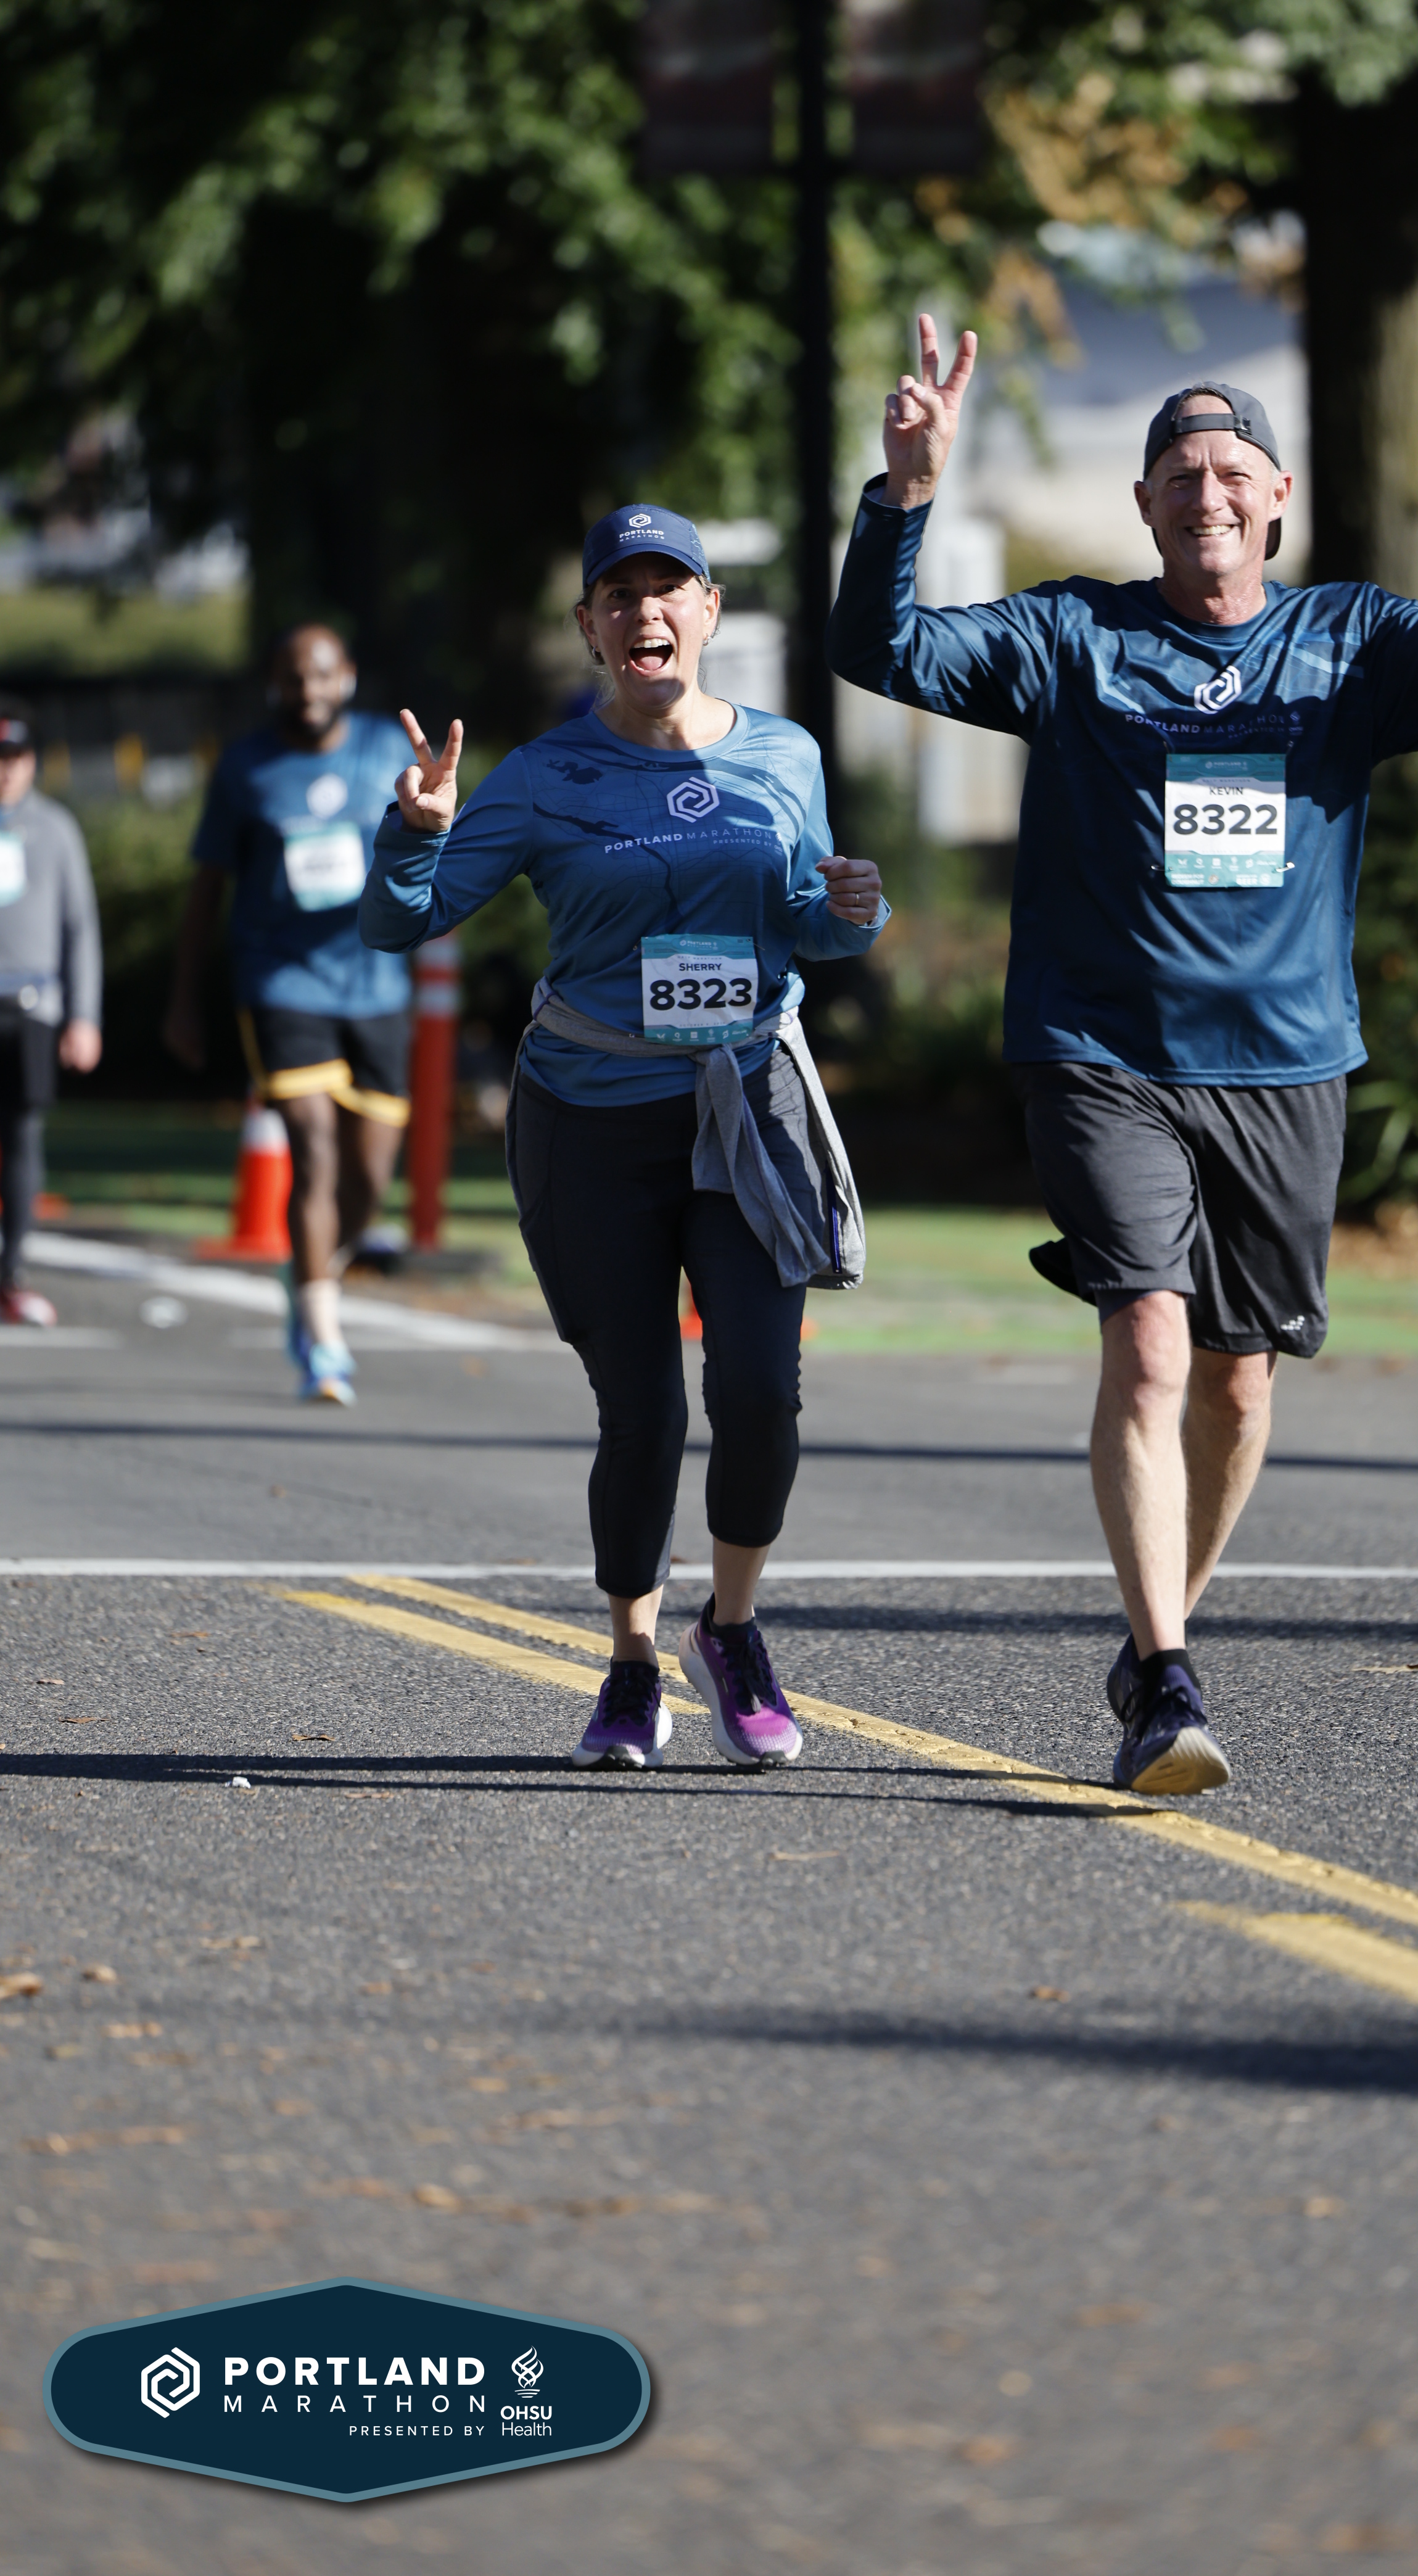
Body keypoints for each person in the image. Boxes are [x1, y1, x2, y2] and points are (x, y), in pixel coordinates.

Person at [829, 323, 1418, 1797]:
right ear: (1144, 505)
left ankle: (1156, 1625)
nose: (1206, 492)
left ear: (1277, 498)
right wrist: (903, 497)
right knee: (1152, 1341)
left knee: (1238, 1385)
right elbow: (880, 648)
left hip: (1286, 1063)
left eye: (1232, 471)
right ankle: (1166, 1676)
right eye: (1179, 474)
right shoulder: (1071, 640)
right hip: (1103, 1051)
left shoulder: (1350, 641)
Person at [361, 503, 886, 1770]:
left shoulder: (787, 754)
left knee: (758, 1390)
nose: (646, 610)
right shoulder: (543, 776)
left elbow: (805, 926)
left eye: (670, 588)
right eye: (620, 594)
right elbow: (399, 925)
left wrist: (851, 915)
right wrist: (416, 833)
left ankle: (733, 1631)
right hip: (590, 1120)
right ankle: (632, 1663)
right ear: (590, 627)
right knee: (642, 1409)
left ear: (707, 612)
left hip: (743, 1105)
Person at [163, 625, 415, 1403]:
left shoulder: (384, 748)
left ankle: (310, 1274)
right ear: (275, 684)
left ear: (347, 678)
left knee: (367, 1184)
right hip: (280, 982)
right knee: (311, 1147)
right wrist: (184, 998)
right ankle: (324, 1341)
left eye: (321, 676)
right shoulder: (246, 766)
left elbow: (430, 852)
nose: (308, 691)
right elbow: (208, 887)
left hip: (376, 985)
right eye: (293, 678)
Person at [0, 700, 102, 1327]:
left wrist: (84, 1016)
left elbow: (79, 928)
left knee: (21, 1137)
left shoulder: (56, 828)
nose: (6, 770)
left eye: (15, 758)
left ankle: (11, 1271)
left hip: (33, 1007)